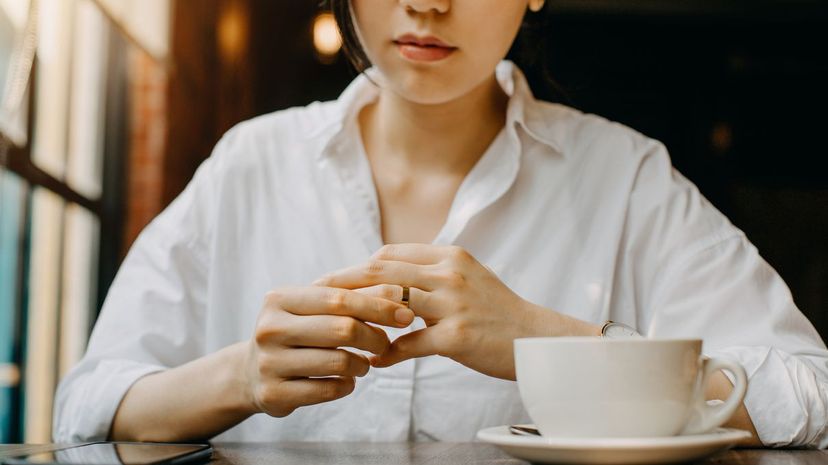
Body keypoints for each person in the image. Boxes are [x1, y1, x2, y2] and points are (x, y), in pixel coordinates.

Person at [53, 0, 828, 447]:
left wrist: (547, 342)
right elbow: (90, 404)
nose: (426, 0)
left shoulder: (625, 179)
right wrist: (243, 377)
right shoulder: (249, 165)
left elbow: (810, 387)